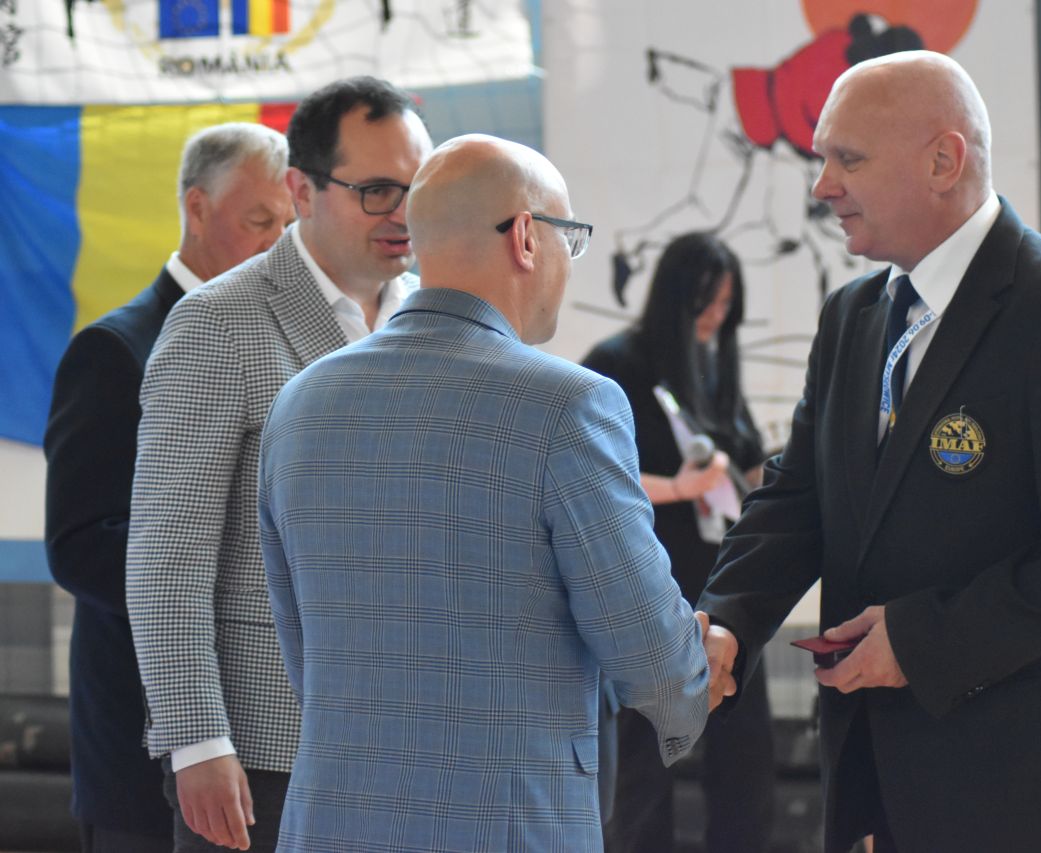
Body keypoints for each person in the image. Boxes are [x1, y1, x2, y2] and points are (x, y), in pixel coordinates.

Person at [696, 50, 1041, 853]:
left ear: (942, 162)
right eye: (822, 159)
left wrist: (925, 639)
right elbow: (799, 497)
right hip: (888, 782)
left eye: (848, 159)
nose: (822, 186)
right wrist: (727, 621)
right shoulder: (853, 315)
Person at [256, 133, 711, 852]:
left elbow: (304, 649)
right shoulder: (569, 405)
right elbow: (652, 658)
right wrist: (698, 671)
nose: (569, 262)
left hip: (330, 822)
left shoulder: (301, 401)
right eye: (570, 238)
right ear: (527, 236)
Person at [126, 76, 432, 852]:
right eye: (376, 190)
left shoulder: (432, 314)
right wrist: (197, 740)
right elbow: (166, 556)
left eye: (418, 189)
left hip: (412, 741)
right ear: (301, 190)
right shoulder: (219, 323)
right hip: (265, 748)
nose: (403, 214)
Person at [43, 122, 291, 853]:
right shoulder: (117, 348)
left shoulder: (280, 337)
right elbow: (79, 545)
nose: (279, 244)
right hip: (141, 734)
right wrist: (225, 581)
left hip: (267, 729)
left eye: (290, 225)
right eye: (260, 221)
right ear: (197, 208)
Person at [583, 232, 775, 853]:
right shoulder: (618, 364)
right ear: (676, 298)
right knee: (645, 758)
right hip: (649, 585)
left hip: (725, 585)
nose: (716, 317)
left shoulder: (714, 362)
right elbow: (592, 475)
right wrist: (679, 487)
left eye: (726, 305)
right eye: (706, 303)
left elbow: (744, 459)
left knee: (744, 750)